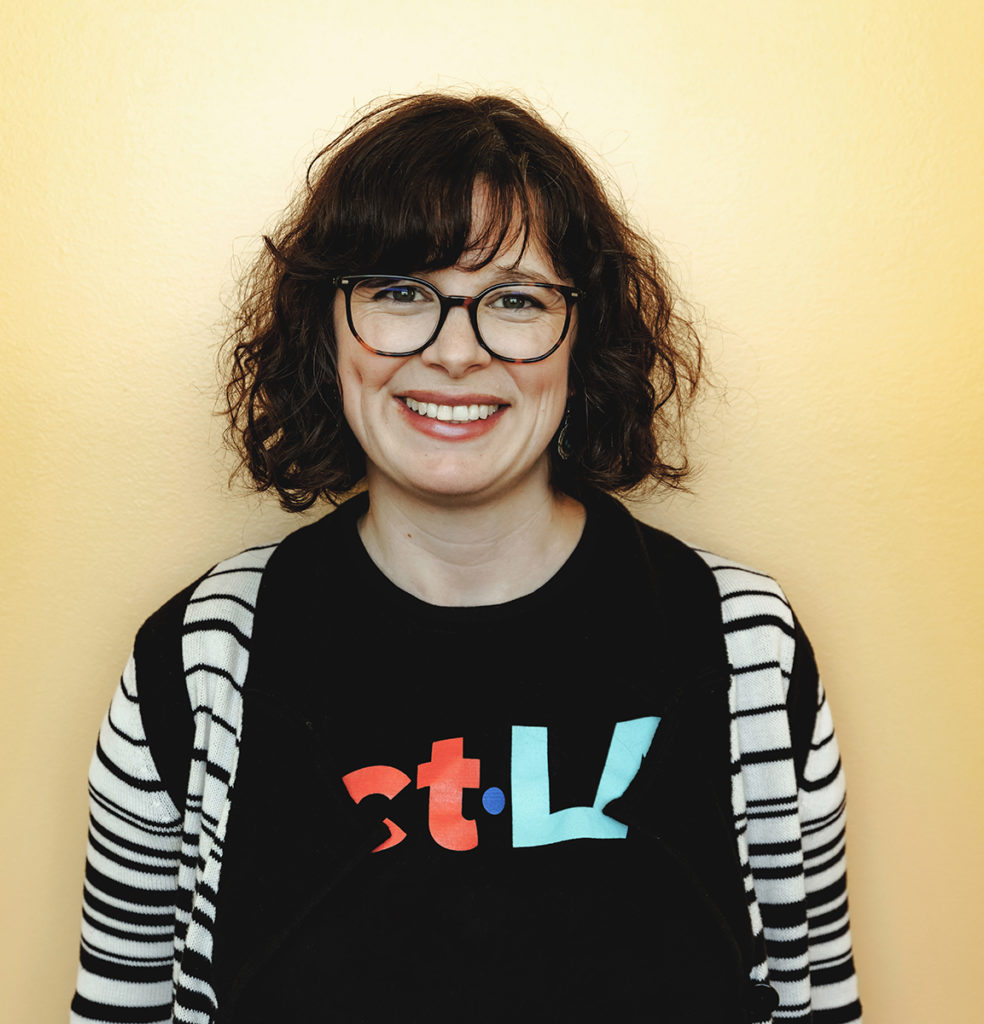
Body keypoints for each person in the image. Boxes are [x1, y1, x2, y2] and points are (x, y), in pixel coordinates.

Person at [70, 93, 861, 1023]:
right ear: (328, 325)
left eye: (515, 299)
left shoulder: (747, 650)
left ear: (583, 335)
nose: (454, 352)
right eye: (401, 292)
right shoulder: (198, 661)